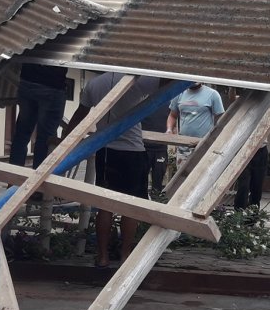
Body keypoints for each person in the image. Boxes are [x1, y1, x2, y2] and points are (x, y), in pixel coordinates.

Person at [65, 72, 160, 268]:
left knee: (105, 206)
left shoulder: (94, 84)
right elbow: (169, 82)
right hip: (132, 150)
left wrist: (64, 139)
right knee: (130, 207)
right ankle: (125, 256)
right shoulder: (139, 80)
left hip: (105, 149)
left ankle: (102, 257)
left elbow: (79, 115)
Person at [9, 64, 68, 168]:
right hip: (52, 83)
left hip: (27, 80)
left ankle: (12, 178)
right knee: (45, 139)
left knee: (21, 134)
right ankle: (38, 181)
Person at [167, 83, 225, 166]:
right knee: (182, 176)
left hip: (204, 147)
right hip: (183, 148)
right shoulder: (179, 94)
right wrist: (169, 129)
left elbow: (221, 119)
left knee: (203, 175)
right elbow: (172, 115)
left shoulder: (213, 94)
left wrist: (215, 138)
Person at [140, 107, 171, 199]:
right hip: (143, 147)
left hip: (161, 148)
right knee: (141, 180)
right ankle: (141, 203)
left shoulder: (168, 103)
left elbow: (173, 118)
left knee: (158, 180)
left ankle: (156, 200)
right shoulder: (143, 102)